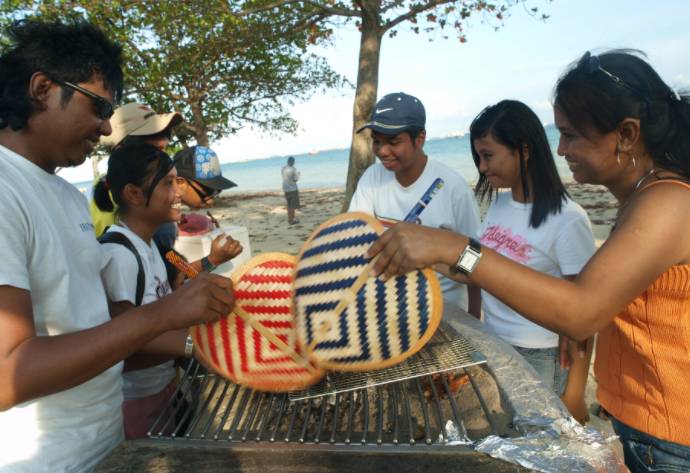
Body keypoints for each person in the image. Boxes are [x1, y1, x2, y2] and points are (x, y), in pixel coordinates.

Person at [367, 51, 690, 472]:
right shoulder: (645, 198)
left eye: (572, 135)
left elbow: (580, 312)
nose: (560, 148)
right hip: (644, 421)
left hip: (670, 434)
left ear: (626, 134)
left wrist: (452, 247)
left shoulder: (668, 202)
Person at [0, 19, 234, 472]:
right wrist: (164, 314)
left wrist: (194, 338)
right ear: (43, 88)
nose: (107, 128)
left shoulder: (64, 195)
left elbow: (92, 323)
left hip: (108, 447)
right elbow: (8, 374)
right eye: (98, 106)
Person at [94, 144, 241, 439]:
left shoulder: (153, 236)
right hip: (135, 398)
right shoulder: (125, 252)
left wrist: (213, 260)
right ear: (133, 193)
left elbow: (177, 272)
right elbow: (124, 339)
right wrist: (199, 345)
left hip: (164, 384)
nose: (177, 193)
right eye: (168, 183)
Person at [469, 100, 596, 422]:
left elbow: (584, 318)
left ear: (524, 150)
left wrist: (575, 394)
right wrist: (433, 256)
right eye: (478, 157)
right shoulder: (500, 204)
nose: (482, 168)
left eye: (488, 156)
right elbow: (478, 266)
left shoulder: (568, 220)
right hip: (496, 342)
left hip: (541, 356)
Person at [349, 92, 481, 316]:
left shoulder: (453, 188)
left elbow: (476, 258)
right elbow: (354, 238)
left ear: (420, 138)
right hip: (386, 308)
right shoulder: (372, 178)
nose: (382, 151)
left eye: (393, 142)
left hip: (443, 311)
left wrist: (476, 320)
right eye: (377, 141)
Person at [90, 102, 183, 237]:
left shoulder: (107, 184)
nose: (164, 141)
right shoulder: (134, 204)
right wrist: (208, 259)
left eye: (165, 133)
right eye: (155, 150)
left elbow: (155, 252)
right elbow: (165, 254)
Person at [282, 156, 300, 224]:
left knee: (289, 205)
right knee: (293, 206)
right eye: (294, 161)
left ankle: (289, 218)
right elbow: (295, 179)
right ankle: (292, 220)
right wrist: (298, 175)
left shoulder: (283, 168)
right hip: (292, 189)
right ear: (292, 162)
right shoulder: (293, 169)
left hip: (285, 188)